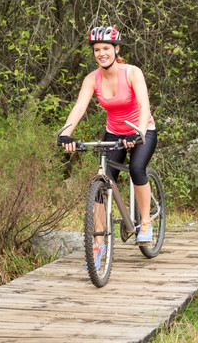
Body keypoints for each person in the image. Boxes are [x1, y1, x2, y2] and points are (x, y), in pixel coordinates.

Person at [58, 26, 157, 268]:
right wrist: (66, 134)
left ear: (116, 49)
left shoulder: (132, 73)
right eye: (96, 50)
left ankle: (145, 222)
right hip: (114, 133)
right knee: (103, 180)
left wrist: (139, 132)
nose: (101, 53)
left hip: (142, 131)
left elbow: (145, 106)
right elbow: (80, 107)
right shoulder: (92, 79)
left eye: (105, 49)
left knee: (136, 169)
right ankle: (98, 243)